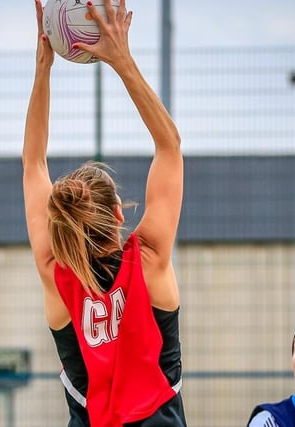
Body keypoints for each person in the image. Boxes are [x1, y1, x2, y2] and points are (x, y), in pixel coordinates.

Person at [22, 1, 186, 426]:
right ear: (117, 212)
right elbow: (169, 146)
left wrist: (44, 68)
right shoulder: (147, 258)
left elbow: (33, 165)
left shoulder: (56, 275)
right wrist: (121, 59)